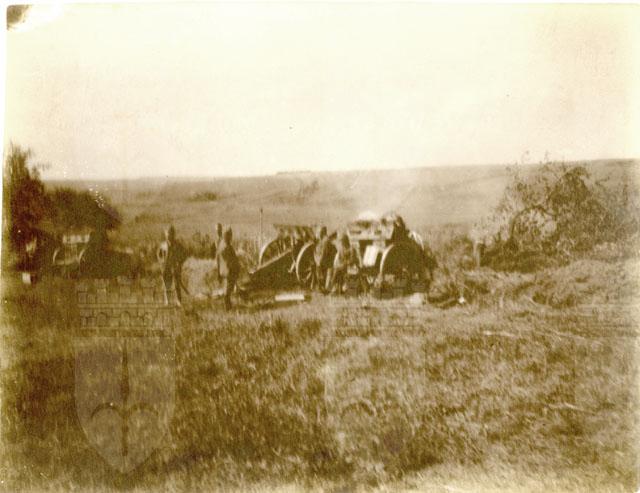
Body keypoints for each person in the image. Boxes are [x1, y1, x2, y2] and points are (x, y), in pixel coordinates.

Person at [162, 225, 188, 306]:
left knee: (177, 284)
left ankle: (178, 301)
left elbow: (184, 254)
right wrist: (162, 262)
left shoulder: (178, 245)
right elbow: (159, 254)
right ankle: (167, 300)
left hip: (175, 267)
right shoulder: (163, 245)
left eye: (170, 234)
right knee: (167, 284)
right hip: (166, 267)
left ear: (173, 234)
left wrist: (179, 263)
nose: (168, 236)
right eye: (167, 234)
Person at [216, 227, 240, 311]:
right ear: (226, 235)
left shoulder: (222, 245)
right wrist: (235, 268)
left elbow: (217, 259)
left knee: (228, 288)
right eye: (229, 235)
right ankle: (227, 307)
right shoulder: (226, 247)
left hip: (224, 270)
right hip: (228, 270)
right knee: (228, 289)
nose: (231, 237)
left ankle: (228, 306)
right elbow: (230, 260)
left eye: (230, 235)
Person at [313, 226, 332, 292]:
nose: (319, 233)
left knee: (322, 274)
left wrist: (320, 260)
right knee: (319, 274)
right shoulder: (321, 239)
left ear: (323, 232)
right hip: (318, 259)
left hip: (322, 260)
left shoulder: (325, 240)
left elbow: (324, 252)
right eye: (318, 232)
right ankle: (320, 287)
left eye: (320, 232)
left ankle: (323, 288)